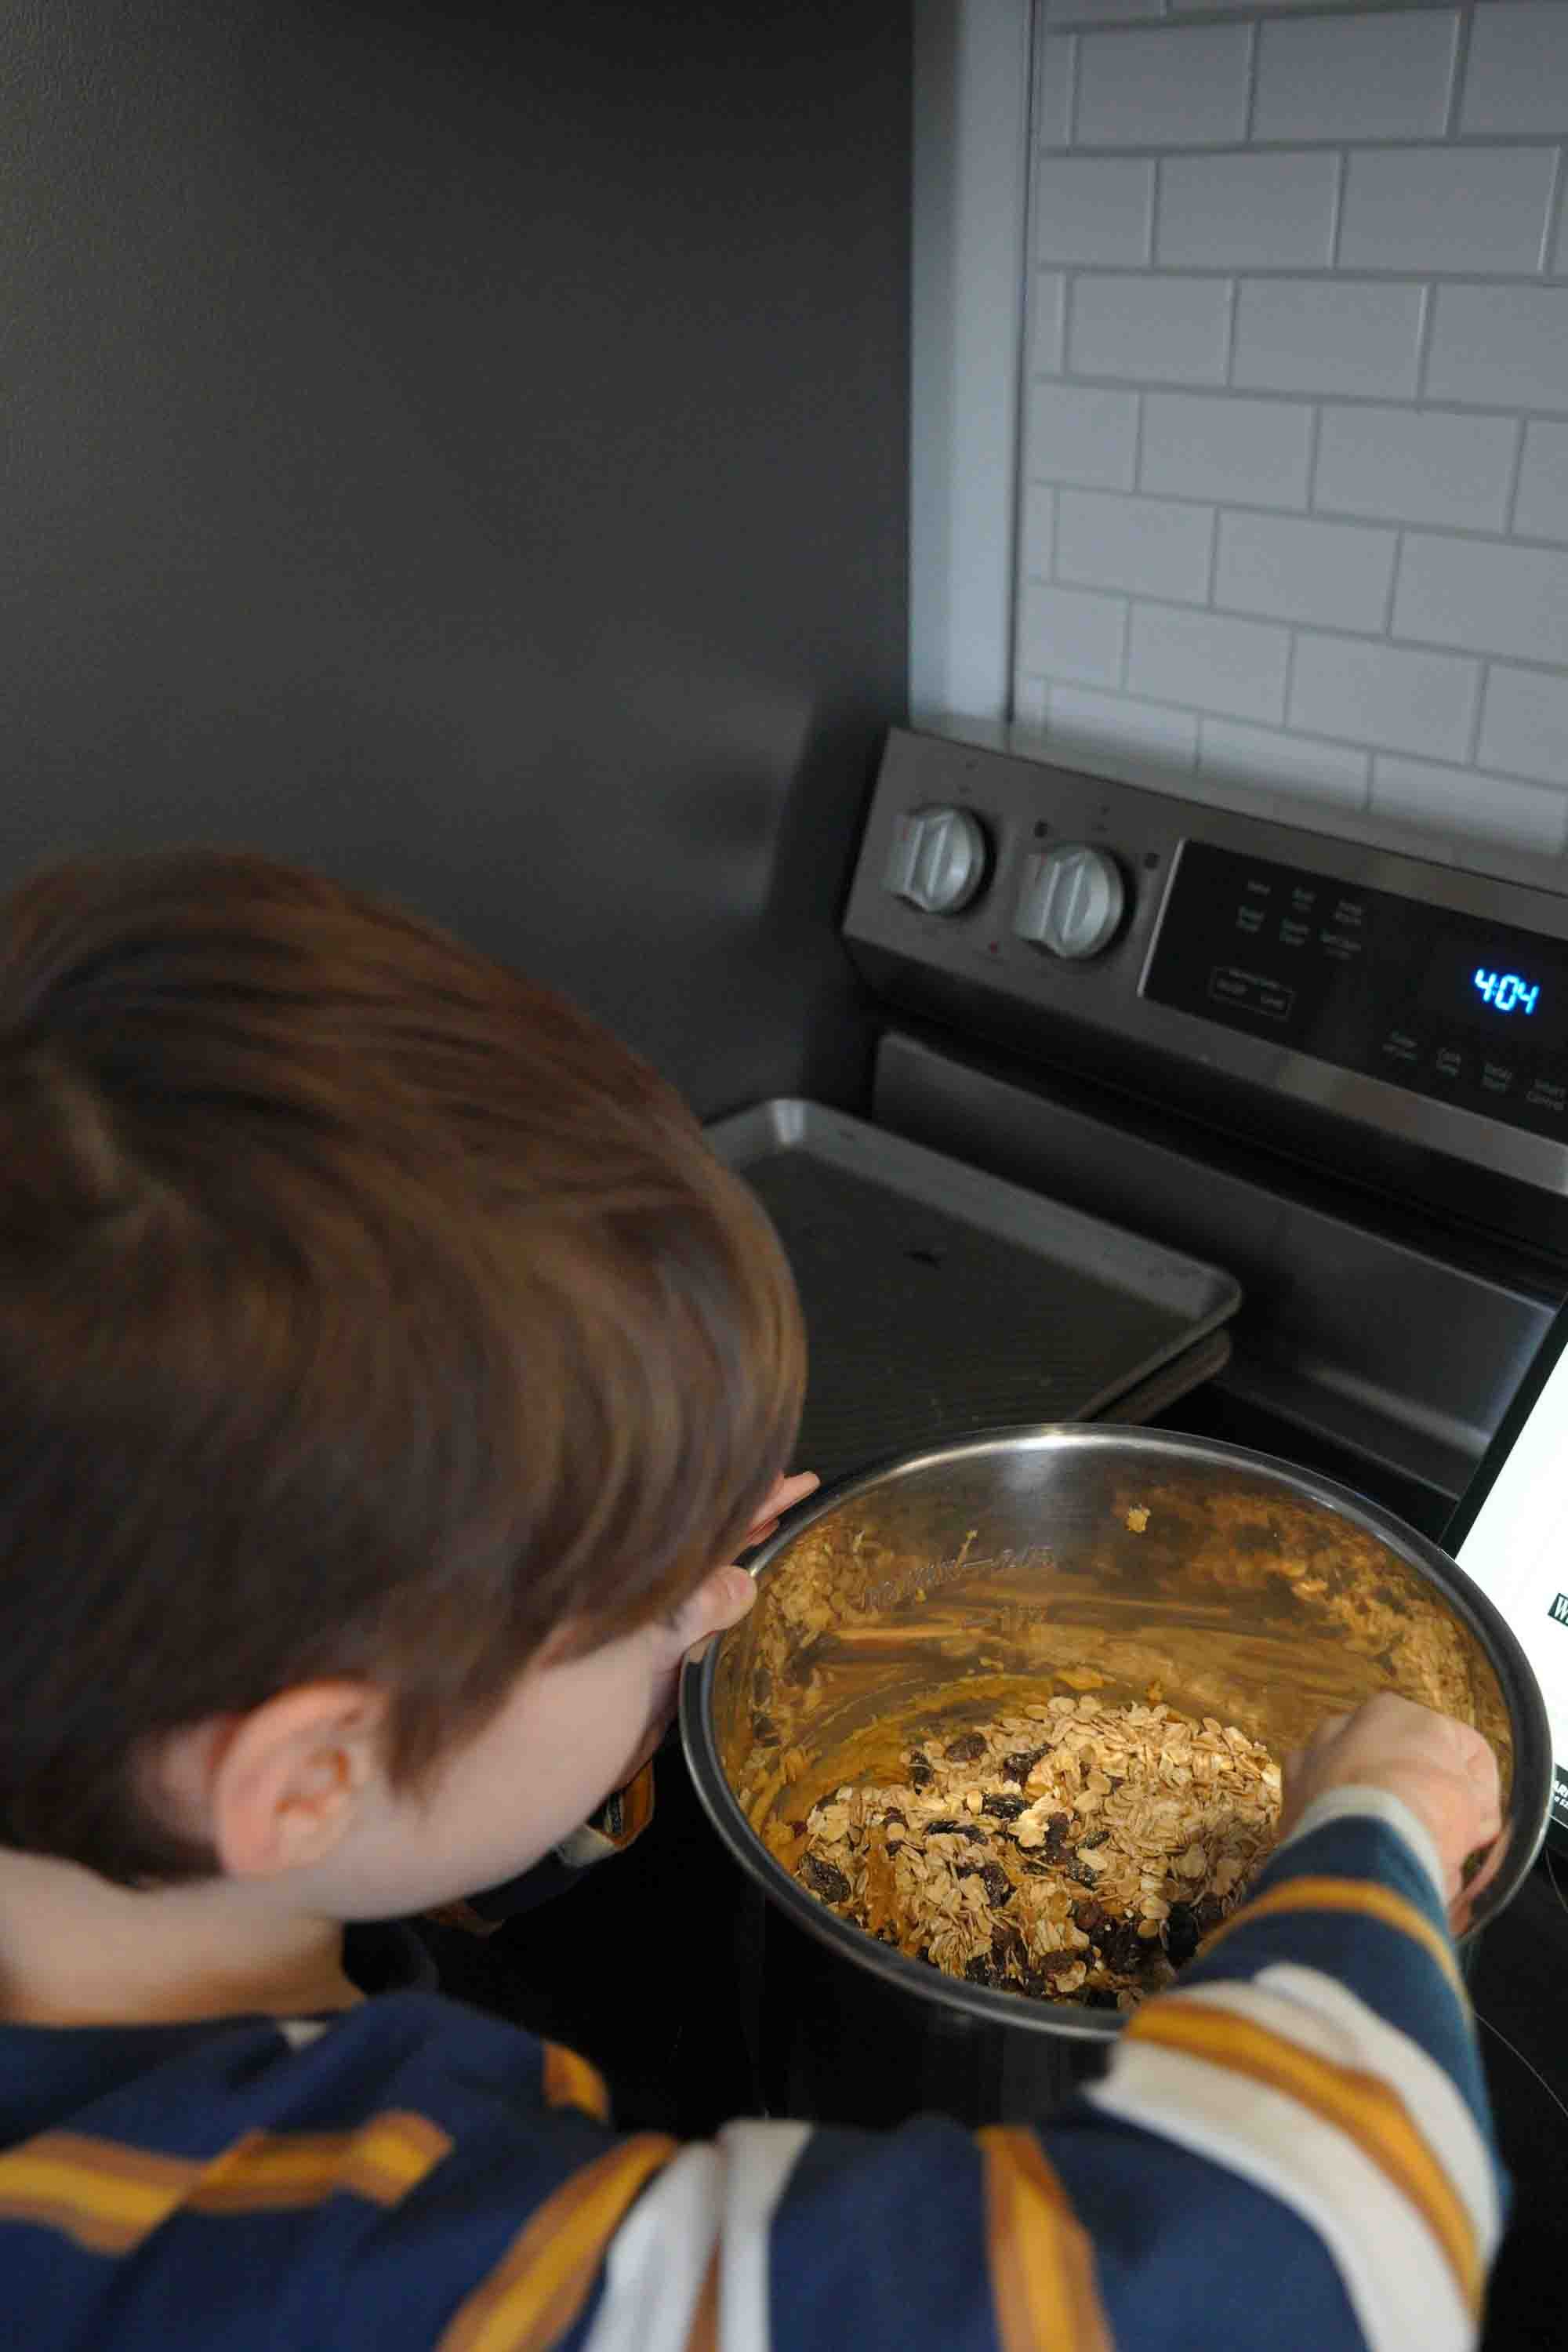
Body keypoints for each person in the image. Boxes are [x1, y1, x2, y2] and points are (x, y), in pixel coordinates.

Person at [0, 848, 1506, 2352]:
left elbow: (391, 1834)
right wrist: (1379, 1822)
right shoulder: (352, 2278)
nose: (714, 1598)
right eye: (649, 1591)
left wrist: (583, 1693)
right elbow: (1310, 2261)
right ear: (312, 1772)